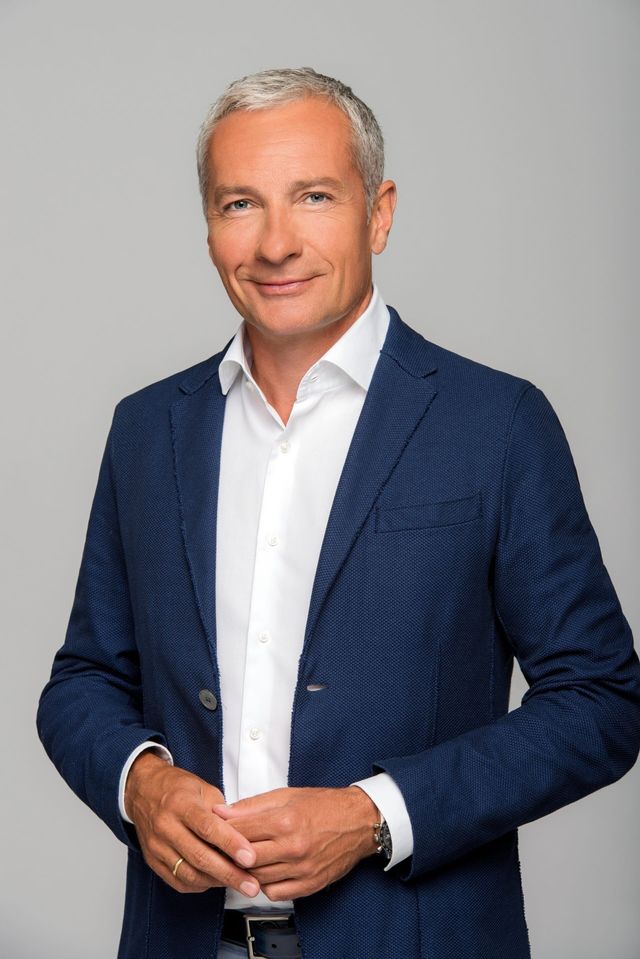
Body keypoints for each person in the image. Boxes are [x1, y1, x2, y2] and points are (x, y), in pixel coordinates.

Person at [36, 66, 640, 959]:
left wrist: (373, 815)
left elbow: (601, 701)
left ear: (379, 213)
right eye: (240, 204)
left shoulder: (497, 425)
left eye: (314, 196)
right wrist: (141, 783)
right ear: (208, 228)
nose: (276, 243)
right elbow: (84, 679)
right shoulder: (145, 431)